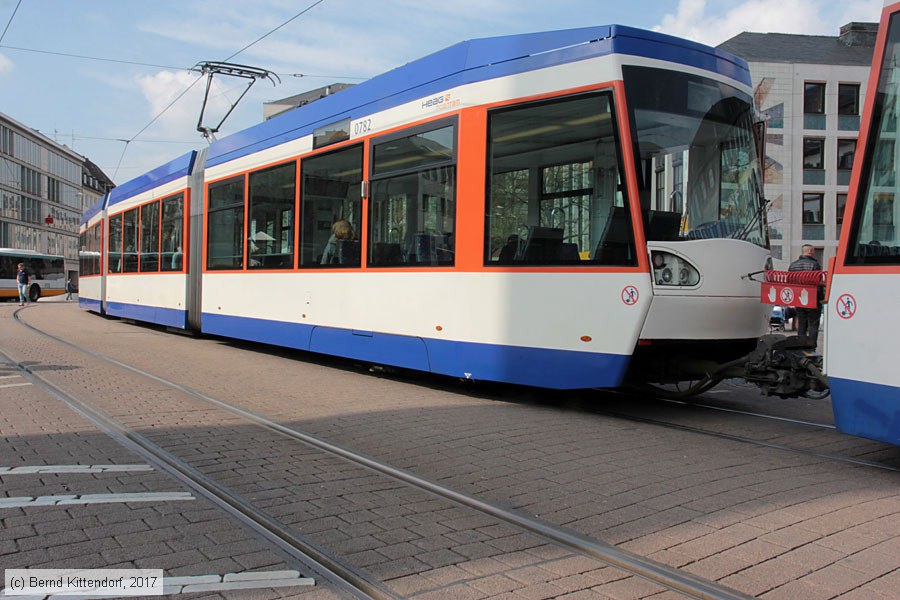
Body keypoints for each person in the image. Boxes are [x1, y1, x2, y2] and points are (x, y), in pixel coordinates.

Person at [788, 244, 824, 347]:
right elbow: (819, 284)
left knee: (802, 323)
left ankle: (801, 345)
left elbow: (789, 282)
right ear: (810, 251)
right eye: (813, 251)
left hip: (798, 298)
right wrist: (821, 298)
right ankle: (812, 345)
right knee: (813, 324)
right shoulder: (815, 265)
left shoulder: (793, 265)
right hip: (812, 298)